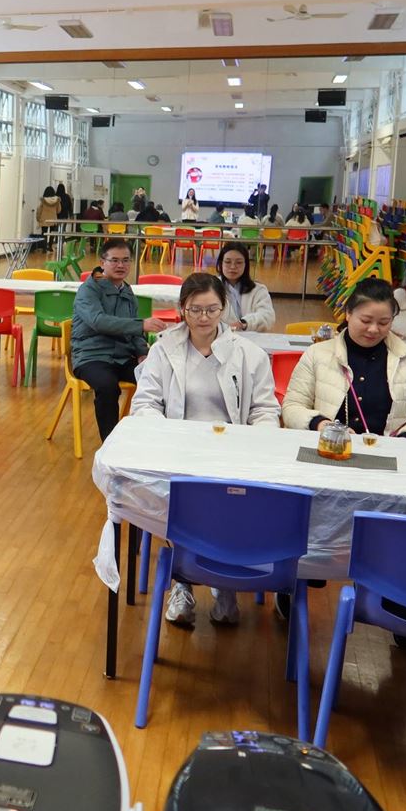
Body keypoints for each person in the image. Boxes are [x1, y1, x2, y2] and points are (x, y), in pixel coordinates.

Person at [132, 272, 280, 628]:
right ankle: (182, 585)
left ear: (223, 307)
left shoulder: (249, 354)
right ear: (182, 309)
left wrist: (256, 441)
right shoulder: (163, 349)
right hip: (180, 450)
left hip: (233, 451)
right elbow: (145, 402)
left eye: (212, 309)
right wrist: (167, 434)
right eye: (195, 310)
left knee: (231, 502)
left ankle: (224, 583)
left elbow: (265, 409)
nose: (203, 317)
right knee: (184, 502)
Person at [281, 277, 406, 439]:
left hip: (388, 451)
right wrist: (320, 424)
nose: (373, 329)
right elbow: (292, 406)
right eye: (366, 321)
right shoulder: (317, 354)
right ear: (348, 313)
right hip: (328, 447)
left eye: (383, 323)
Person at [71, 238, 169, 442]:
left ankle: (154, 437)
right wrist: (141, 325)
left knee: (158, 380)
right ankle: (110, 444)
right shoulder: (88, 290)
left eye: (125, 260)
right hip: (91, 356)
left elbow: (134, 331)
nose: (120, 265)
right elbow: (98, 321)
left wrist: (142, 353)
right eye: (114, 260)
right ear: (102, 262)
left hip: (122, 357)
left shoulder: (127, 291)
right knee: (108, 387)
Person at [213, 243, 275, 332]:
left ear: (246, 265)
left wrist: (244, 323)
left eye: (239, 262)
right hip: (219, 336)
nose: (233, 267)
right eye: (227, 262)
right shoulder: (211, 288)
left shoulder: (258, 289)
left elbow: (268, 316)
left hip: (251, 338)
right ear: (220, 263)